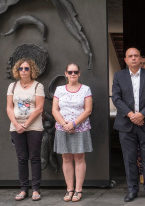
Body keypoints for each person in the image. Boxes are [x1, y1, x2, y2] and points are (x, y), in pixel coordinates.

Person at [112, 48, 145, 202]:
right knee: (129, 159)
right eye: (130, 56)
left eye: (136, 56)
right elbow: (116, 98)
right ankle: (132, 190)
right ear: (125, 60)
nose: (133, 58)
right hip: (126, 123)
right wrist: (131, 115)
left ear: (140, 58)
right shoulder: (119, 76)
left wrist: (142, 114)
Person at [52, 63, 93, 202]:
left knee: (79, 158)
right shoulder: (59, 90)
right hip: (62, 128)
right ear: (66, 73)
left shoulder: (86, 89)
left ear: (79, 73)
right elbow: (55, 110)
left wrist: (74, 124)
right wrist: (64, 124)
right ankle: (69, 189)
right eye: (70, 72)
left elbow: (88, 110)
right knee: (66, 158)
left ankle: (78, 190)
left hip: (80, 128)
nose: (73, 74)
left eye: (75, 71)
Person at [7, 58, 45, 201]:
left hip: (34, 126)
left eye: (26, 68)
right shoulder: (12, 86)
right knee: (21, 158)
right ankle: (23, 189)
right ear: (17, 70)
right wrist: (16, 125)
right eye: (21, 68)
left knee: (34, 157)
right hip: (16, 127)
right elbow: (9, 107)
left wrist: (26, 124)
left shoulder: (38, 86)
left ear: (32, 70)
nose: (23, 71)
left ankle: (35, 189)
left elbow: (39, 108)